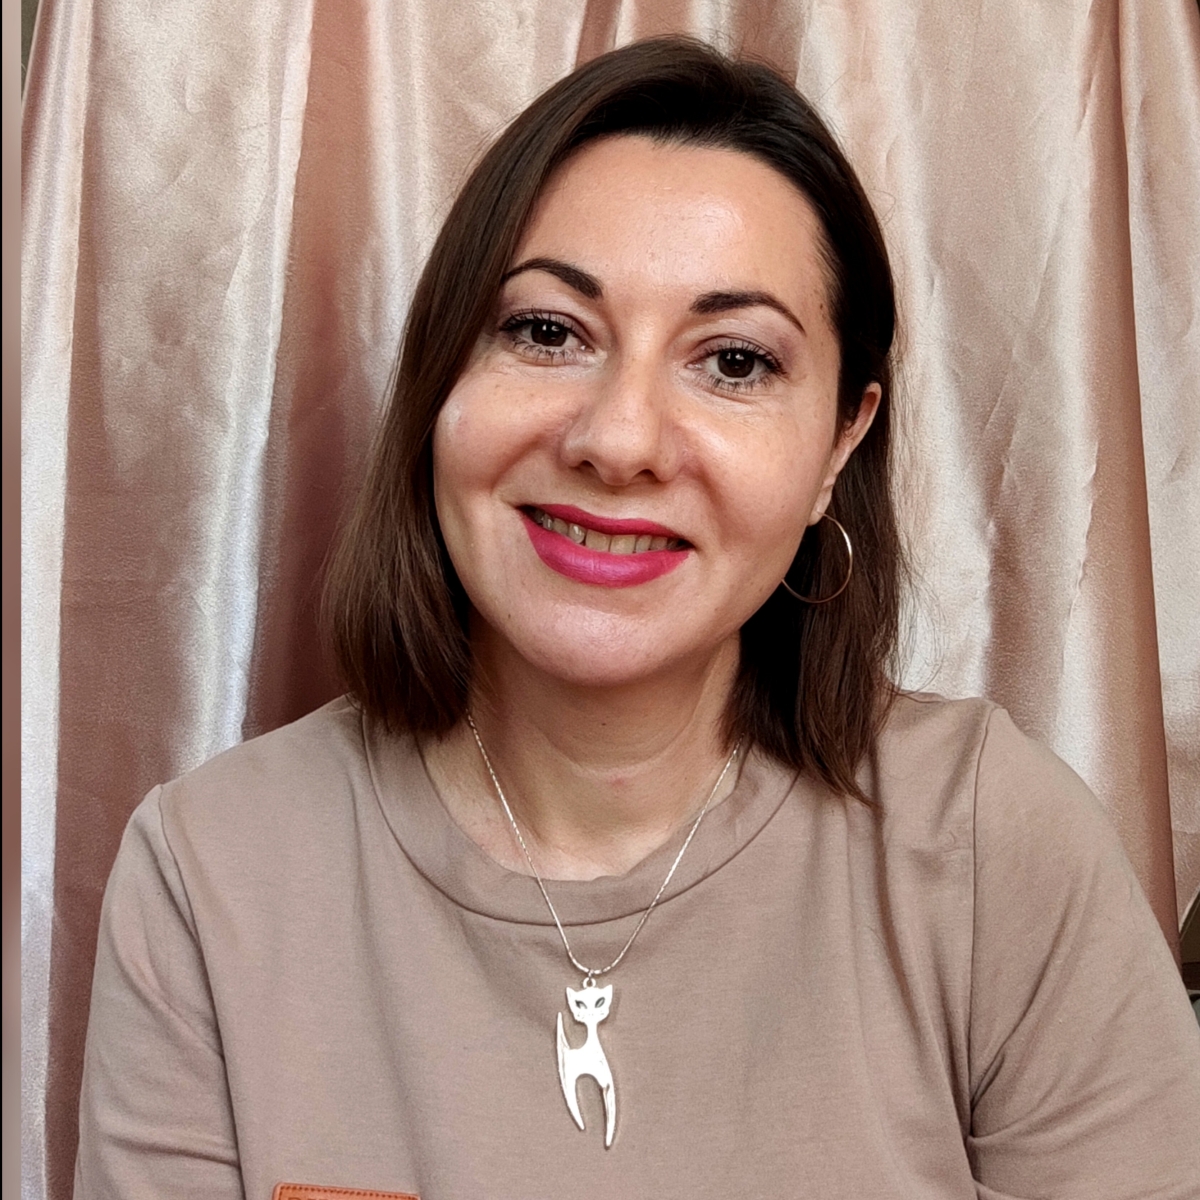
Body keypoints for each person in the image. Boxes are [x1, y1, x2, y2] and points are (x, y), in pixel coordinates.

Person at [75, 37, 1200, 1200]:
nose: (618, 441)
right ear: (441, 381)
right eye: (547, 331)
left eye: (734, 362)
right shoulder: (210, 874)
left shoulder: (995, 848)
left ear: (840, 444)